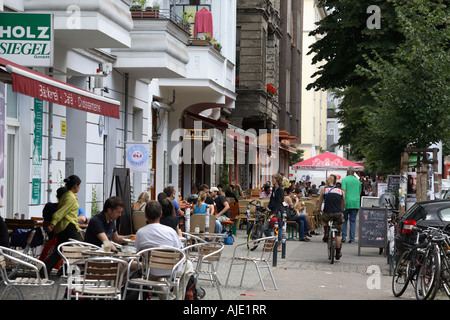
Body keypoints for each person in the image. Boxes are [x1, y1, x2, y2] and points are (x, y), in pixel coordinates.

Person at [134, 200, 194, 300]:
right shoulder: (170, 231)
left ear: (145, 216)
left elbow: (136, 253)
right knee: (189, 265)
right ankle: (176, 297)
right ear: (161, 215)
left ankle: (169, 298)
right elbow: (180, 253)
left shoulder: (140, 233)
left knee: (155, 276)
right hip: (170, 270)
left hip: (150, 271)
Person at [44, 175, 83, 273]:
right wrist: (52, 224)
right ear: (75, 185)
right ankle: (69, 270)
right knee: (77, 248)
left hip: (63, 228)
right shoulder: (70, 197)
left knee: (60, 251)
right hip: (69, 227)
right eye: (79, 186)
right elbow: (60, 212)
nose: (79, 188)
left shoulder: (66, 195)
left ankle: (46, 270)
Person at [315, 174, 345, 260]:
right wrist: (342, 210)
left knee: (324, 220)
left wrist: (319, 209)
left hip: (327, 213)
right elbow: (344, 203)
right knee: (338, 233)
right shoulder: (340, 191)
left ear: (328, 181)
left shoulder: (324, 189)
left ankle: (326, 232)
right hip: (338, 213)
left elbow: (320, 200)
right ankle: (338, 252)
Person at [341, 167, 362, 243]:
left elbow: (343, 191)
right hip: (355, 203)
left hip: (346, 202)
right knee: (353, 221)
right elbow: (359, 193)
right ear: (353, 173)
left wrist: (343, 202)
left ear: (347, 172)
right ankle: (352, 239)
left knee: (344, 220)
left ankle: (343, 236)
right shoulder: (358, 181)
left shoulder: (344, 180)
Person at [265, 173, 285, 251]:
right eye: (272, 178)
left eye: (274, 178)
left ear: (278, 180)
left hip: (278, 211)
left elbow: (279, 202)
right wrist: (268, 207)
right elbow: (272, 200)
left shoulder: (280, 190)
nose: (272, 179)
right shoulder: (273, 188)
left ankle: (278, 244)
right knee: (265, 228)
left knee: (278, 228)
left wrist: (276, 212)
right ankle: (272, 241)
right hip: (273, 211)